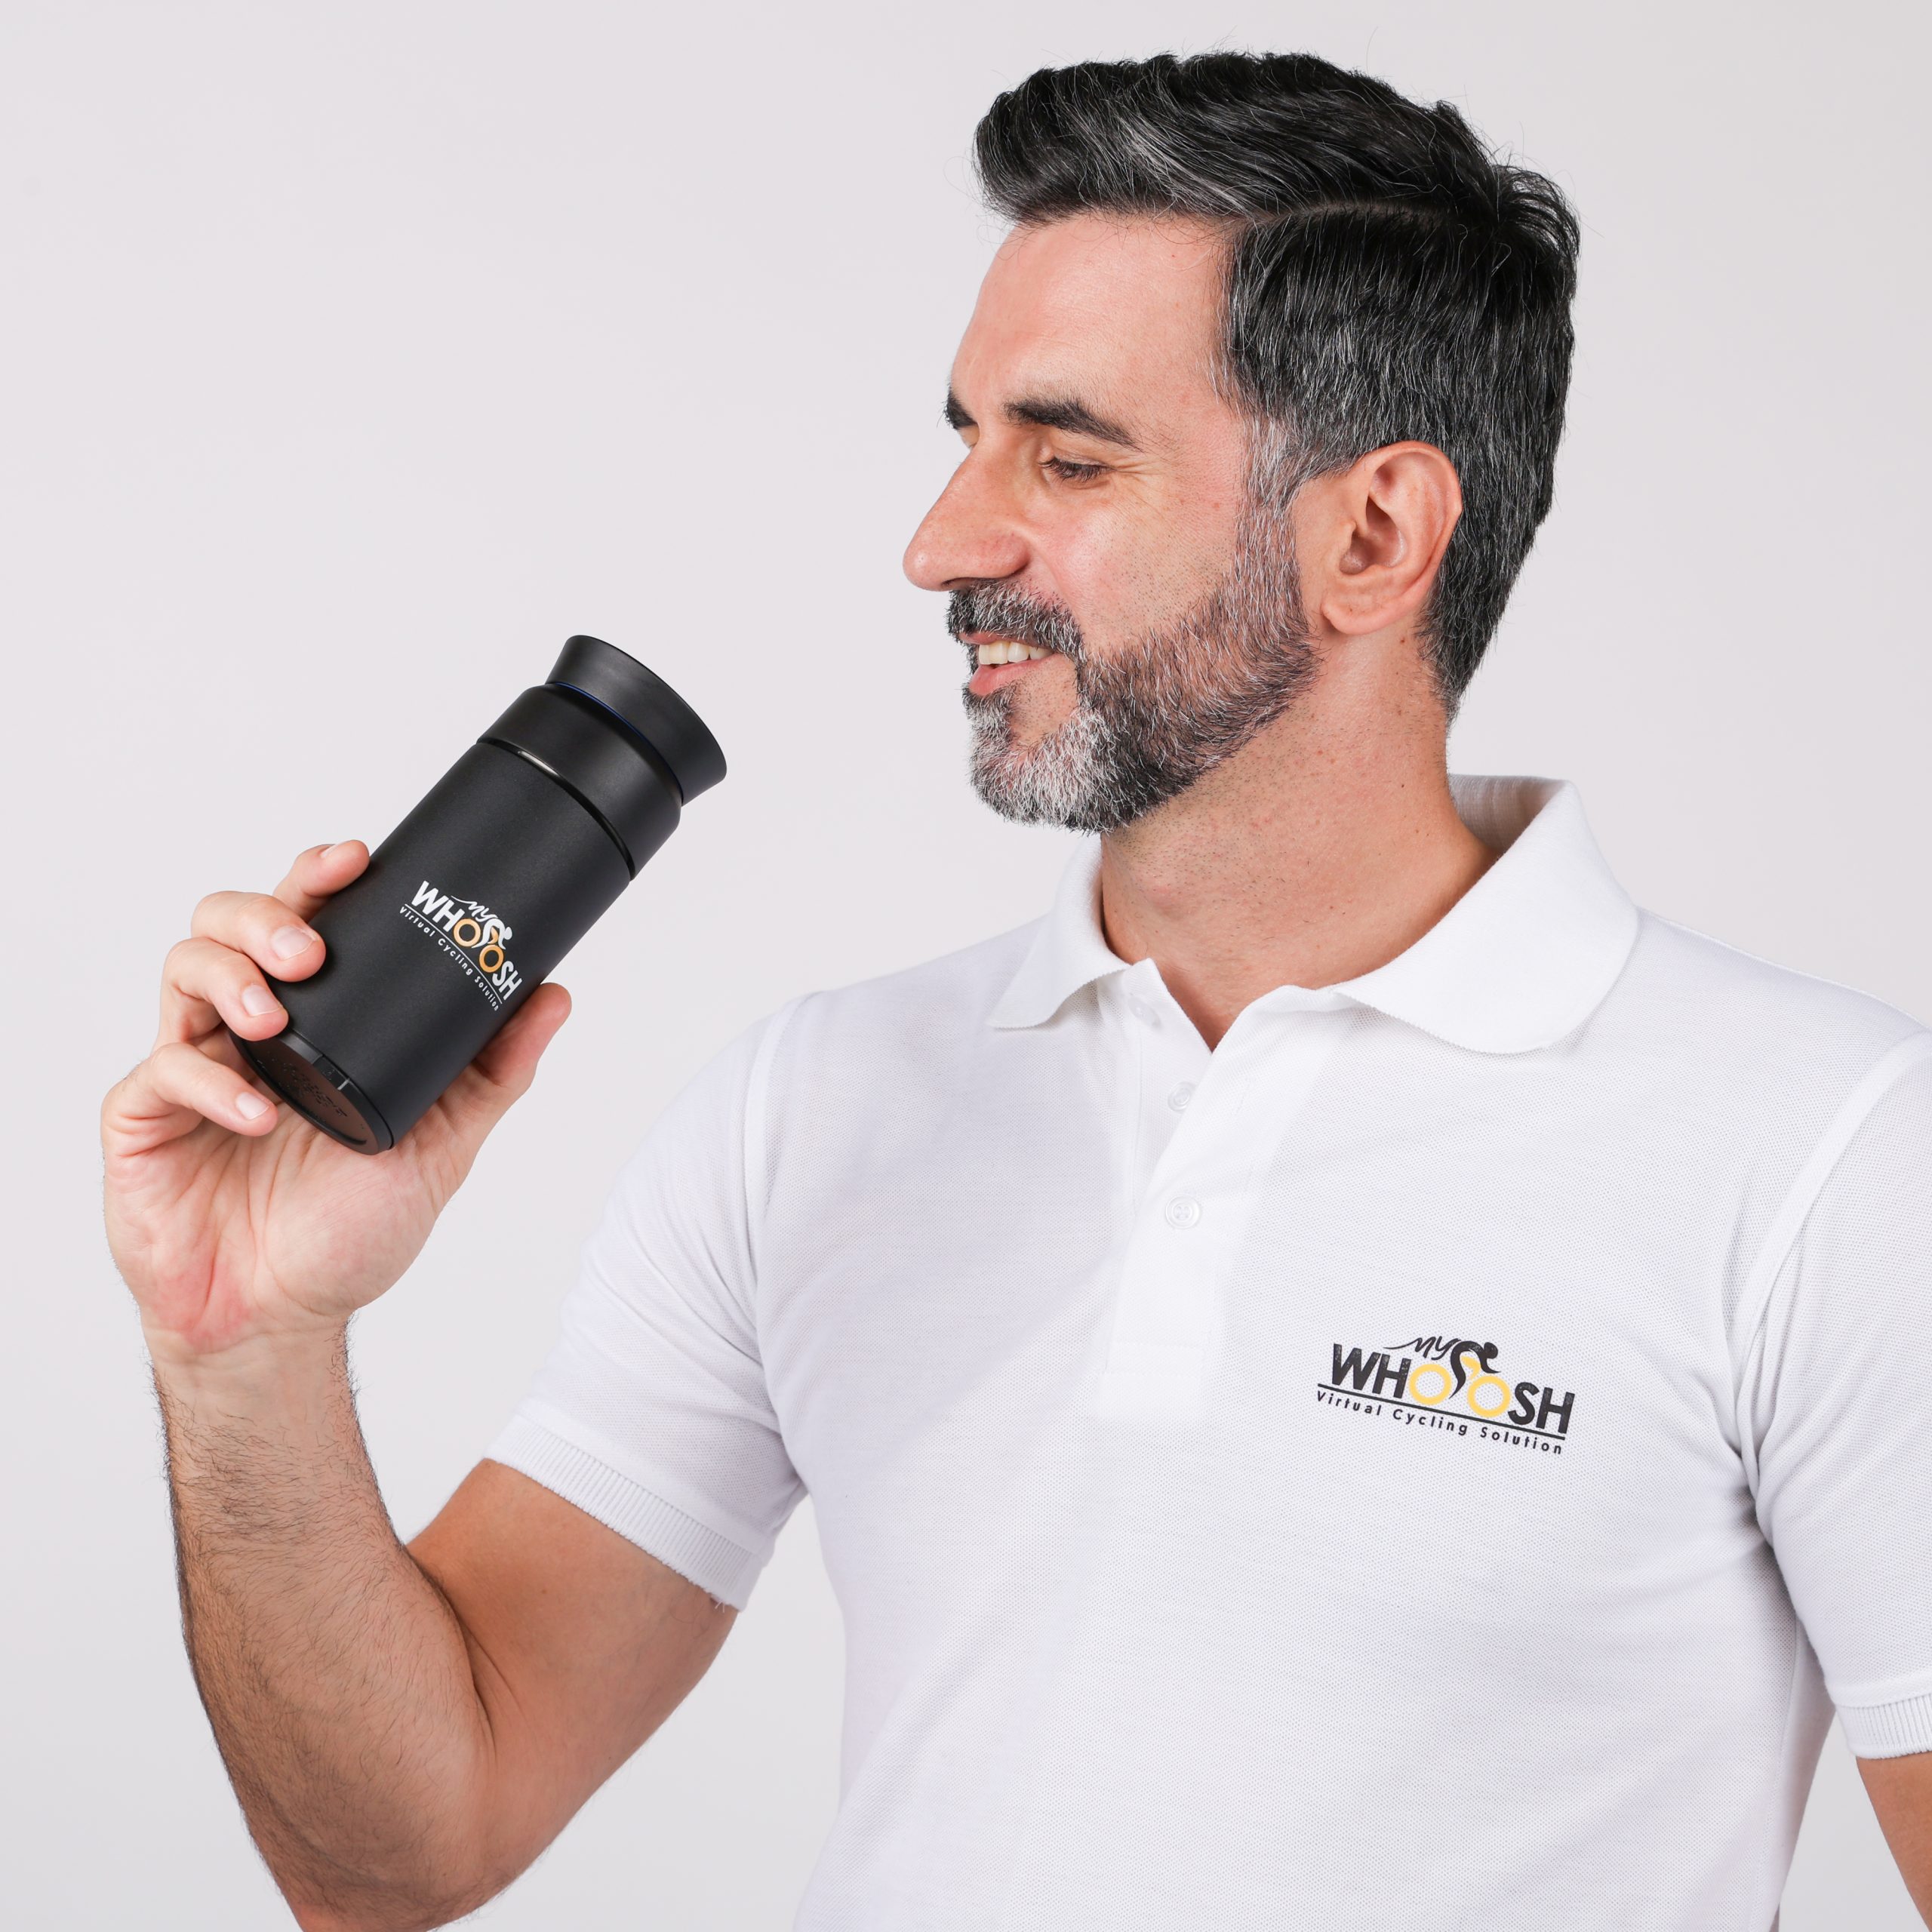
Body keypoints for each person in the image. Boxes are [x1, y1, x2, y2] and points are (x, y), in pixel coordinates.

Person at [100, 50, 1932, 1932]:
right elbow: (396, 1851)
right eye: (967, 438)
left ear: (1372, 535)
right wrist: (244, 1347)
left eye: (1065, 458)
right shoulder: (817, 1102)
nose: (941, 544)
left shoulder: (1825, 1158)